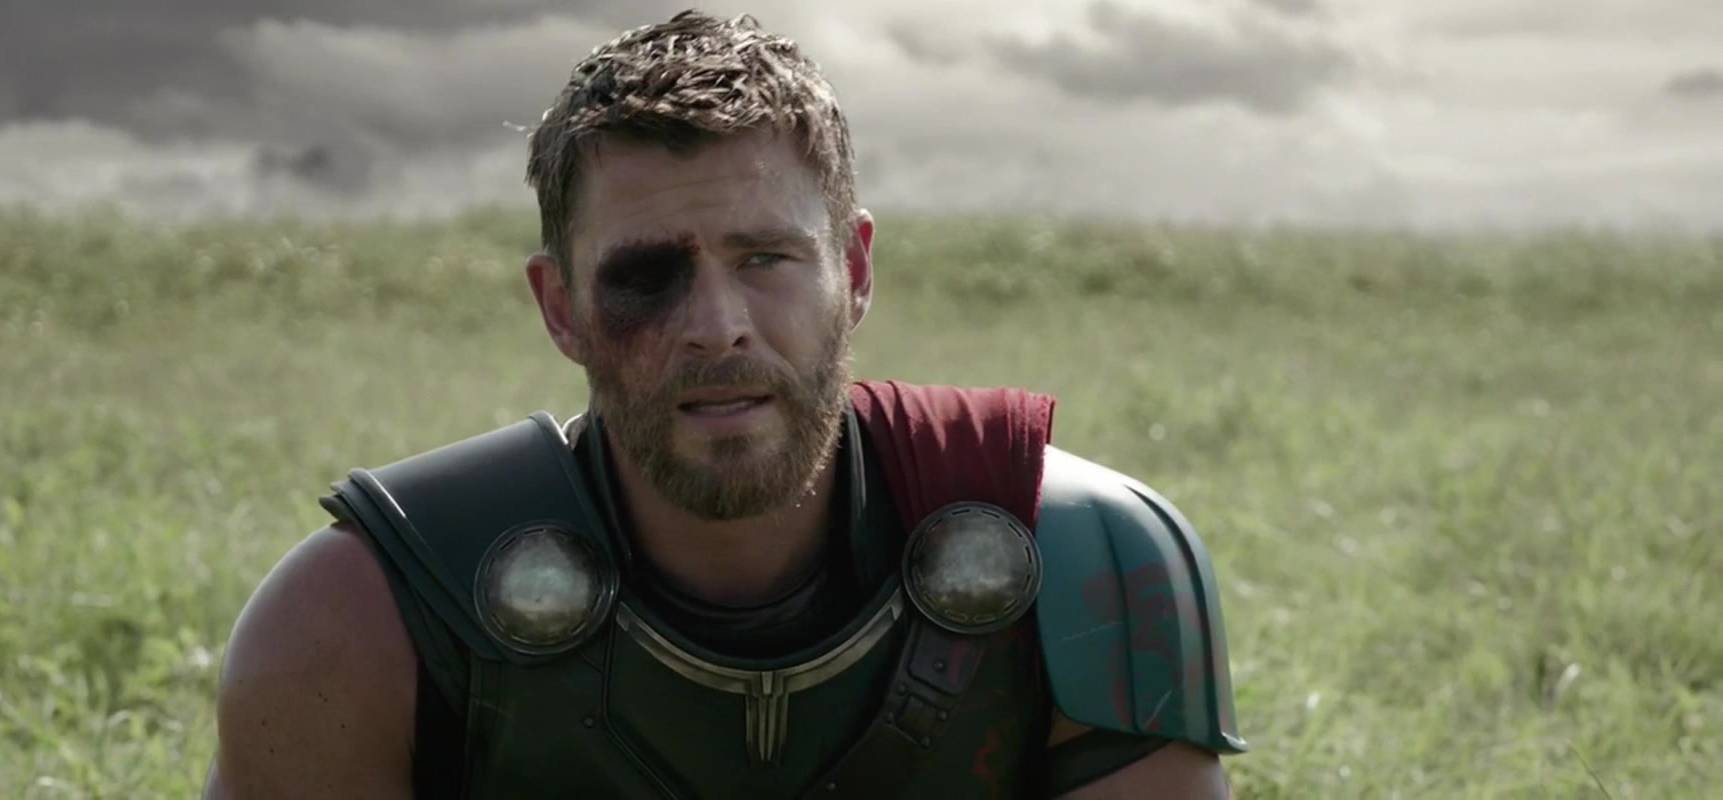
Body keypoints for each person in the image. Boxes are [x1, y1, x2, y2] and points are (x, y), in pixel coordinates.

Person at [204, 9, 1245, 799]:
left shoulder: (1087, 565)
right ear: (560, 308)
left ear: (855, 270)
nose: (716, 326)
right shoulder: (360, 620)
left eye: (766, 259)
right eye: (646, 274)